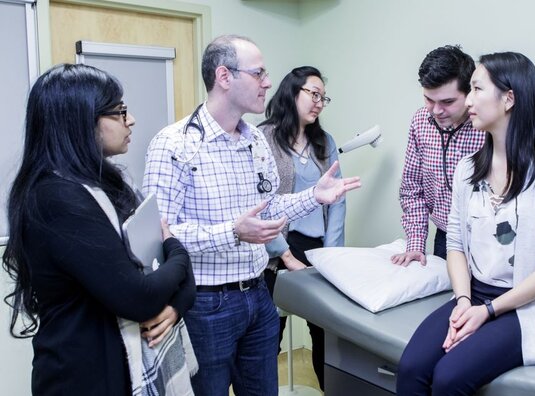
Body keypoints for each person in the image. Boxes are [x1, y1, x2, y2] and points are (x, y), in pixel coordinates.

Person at [142, 35, 360, 396]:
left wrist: (313, 197)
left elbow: (269, 207)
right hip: (207, 304)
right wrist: (233, 232)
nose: (269, 83)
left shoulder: (254, 142)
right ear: (224, 76)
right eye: (258, 73)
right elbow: (160, 236)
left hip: (258, 296)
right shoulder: (174, 144)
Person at [397, 52, 535, 395]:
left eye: (476, 89)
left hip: (526, 305)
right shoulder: (468, 170)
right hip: (474, 293)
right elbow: (454, 242)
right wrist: (463, 302)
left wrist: (488, 310)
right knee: (411, 368)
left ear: (509, 98)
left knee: (449, 378)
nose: (468, 101)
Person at [1, 63, 195, 395]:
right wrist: (180, 252)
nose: (130, 120)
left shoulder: (105, 184)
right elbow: (139, 296)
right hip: (83, 376)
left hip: (117, 364)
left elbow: (156, 270)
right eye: (119, 112)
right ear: (81, 121)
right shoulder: (57, 197)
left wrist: (176, 302)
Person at [259, 65, 342, 390]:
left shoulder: (325, 141)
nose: (319, 102)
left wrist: (334, 254)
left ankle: (327, 388)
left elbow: (337, 201)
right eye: (313, 94)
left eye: (324, 97)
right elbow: (261, 203)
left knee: (323, 330)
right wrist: (283, 253)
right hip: (275, 249)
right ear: (292, 92)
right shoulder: (263, 137)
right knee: (270, 332)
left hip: (318, 248)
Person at [392, 45, 485, 266]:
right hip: (445, 237)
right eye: (429, 100)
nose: (436, 110)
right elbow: (412, 189)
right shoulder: (420, 122)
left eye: (447, 102)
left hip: (486, 239)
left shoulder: (488, 125)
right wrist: (415, 244)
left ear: (469, 93)